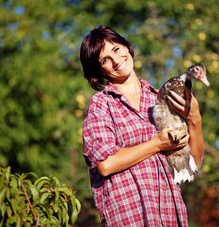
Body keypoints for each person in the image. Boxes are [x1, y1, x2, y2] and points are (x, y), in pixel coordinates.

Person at [80, 26, 205, 227]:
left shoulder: (161, 98)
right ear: (99, 71)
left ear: (126, 46)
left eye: (116, 49)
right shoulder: (102, 105)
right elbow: (105, 165)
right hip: (129, 218)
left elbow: (192, 163)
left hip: (170, 217)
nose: (115, 60)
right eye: (104, 60)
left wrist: (195, 119)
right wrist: (157, 144)